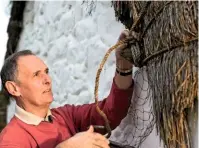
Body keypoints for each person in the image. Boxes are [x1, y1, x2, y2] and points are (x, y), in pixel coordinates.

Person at [0, 30, 133, 148]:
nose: (47, 80)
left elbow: (110, 112)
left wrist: (123, 67)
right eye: (36, 75)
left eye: (46, 72)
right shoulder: (10, 139)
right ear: (14, 88)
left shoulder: (65, 116)